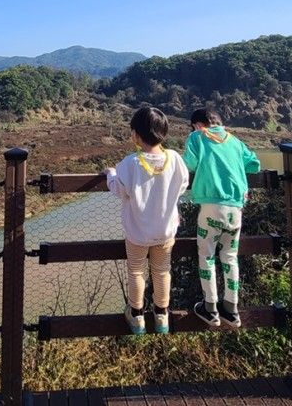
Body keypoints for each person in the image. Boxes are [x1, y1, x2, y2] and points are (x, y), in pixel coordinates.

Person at [105, 107, 189, 335]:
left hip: (137, 233)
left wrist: (110, 174)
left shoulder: (130, 163)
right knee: (162, 271)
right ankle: (162, 316)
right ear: (164, 133)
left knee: (136, 271)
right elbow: (182, 186)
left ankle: (137, 316)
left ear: (136, 135)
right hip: (165, 231)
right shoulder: (175, 159)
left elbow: (118, 189)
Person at [183, 108, 260, 329]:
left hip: (210, 207)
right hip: (235, 209)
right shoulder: (235, 141)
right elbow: (254, 164)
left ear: (199, 124)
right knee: (230, 256)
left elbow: (189, 164)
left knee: (206, 255)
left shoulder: (197, 137)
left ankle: (210, 309)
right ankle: (232, 310)